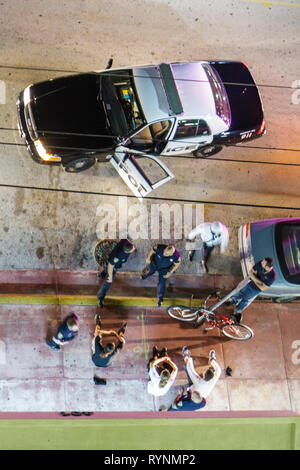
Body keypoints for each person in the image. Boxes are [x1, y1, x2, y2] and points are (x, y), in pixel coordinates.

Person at [226, 257, 277, 323]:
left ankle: (237, 311)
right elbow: (251, 272)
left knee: (246, 300)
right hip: (249, 283)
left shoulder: (272, 276)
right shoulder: (260, 263)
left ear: (267, 267)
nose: (261, 262)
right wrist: (259, 282)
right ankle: (233, 301)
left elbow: (263, 287)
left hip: (256, 290)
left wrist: (254, 278)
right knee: (240, 292)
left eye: (263, 263)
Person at [97, 238, 135, 308]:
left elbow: (122, 240)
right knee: (108, 281)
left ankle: (101, 273)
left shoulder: (125, 241)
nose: (134, 248)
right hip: (112, 266)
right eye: (132, 249)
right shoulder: (119, 256)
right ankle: (100, 298)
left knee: (105, 267)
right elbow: (110, 265)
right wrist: (110, 276)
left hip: (111, 260)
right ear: (126, 251)